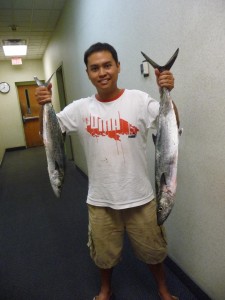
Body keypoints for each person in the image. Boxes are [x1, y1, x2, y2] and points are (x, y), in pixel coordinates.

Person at [35, 42, 179, 300]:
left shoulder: (139, 100)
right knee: (103, 255)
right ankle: (106, 289)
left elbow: (171, 125)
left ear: (118, 66)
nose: (102, 72)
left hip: (141, 198)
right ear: (88, 72)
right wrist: (43, 106)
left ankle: (163, 289)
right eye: (94, 68)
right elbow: (49, 136)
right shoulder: (80, 108)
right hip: (100, 200)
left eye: (107, 65)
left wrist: (165, 90)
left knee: (154, 252)